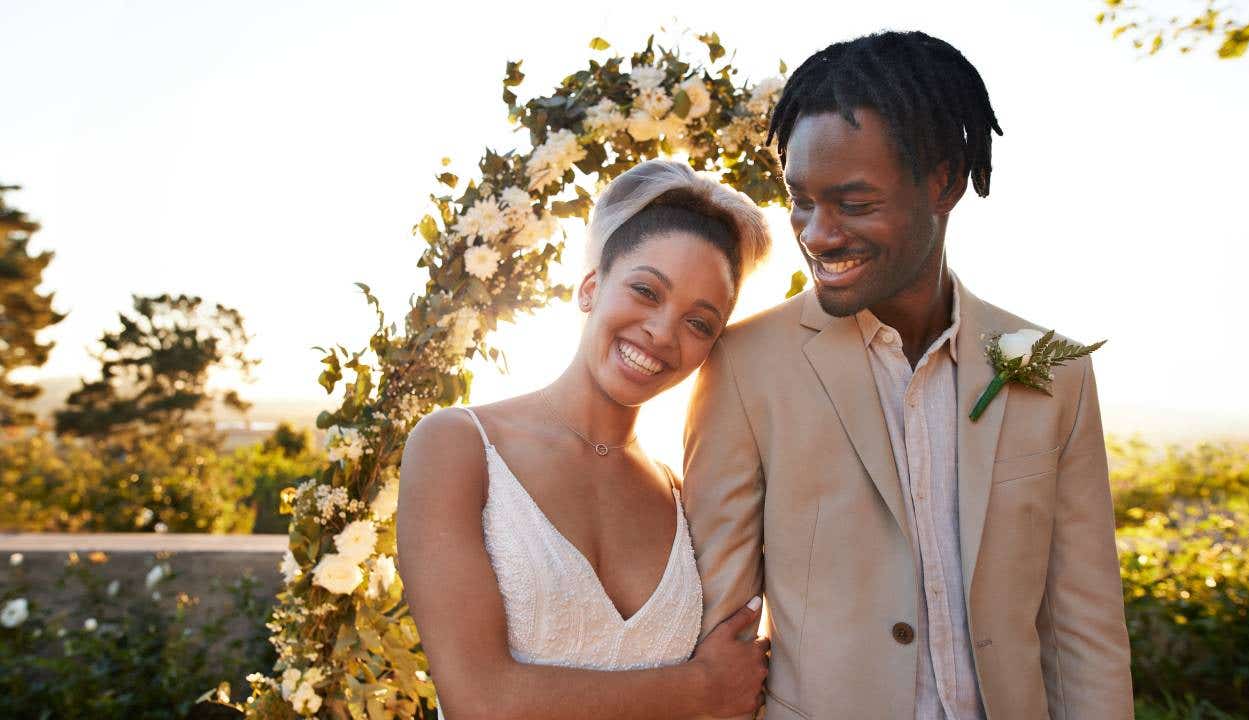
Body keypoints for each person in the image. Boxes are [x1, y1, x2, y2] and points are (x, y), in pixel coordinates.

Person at [684, 31, 1133, 720]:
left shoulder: (1057, 373)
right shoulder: (744, 367)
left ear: (944, 182)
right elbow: (719, 630)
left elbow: (1083, 632)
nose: (818, 234)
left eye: (855, 203)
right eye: (802, 199)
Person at [397, 159, 774, 720]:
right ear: (591, 287)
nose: (663, 333)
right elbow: (480, 700)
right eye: (646, 291)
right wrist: (699, 687)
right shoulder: (457, 447)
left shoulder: (680, 491)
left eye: (699, 323)